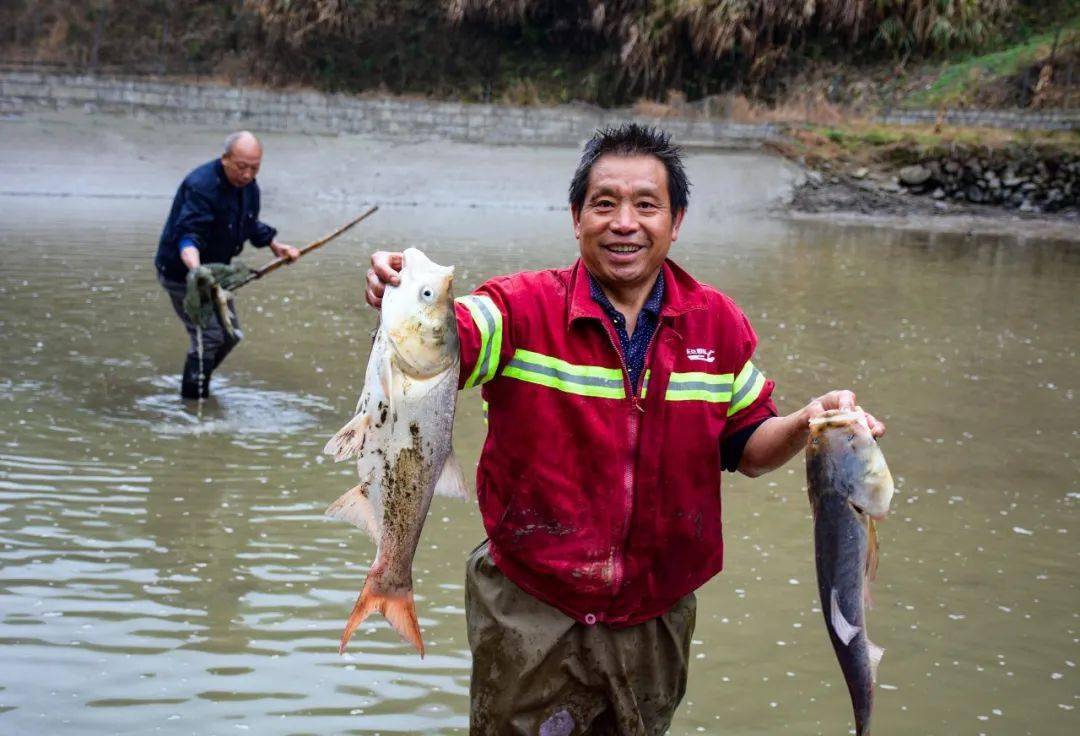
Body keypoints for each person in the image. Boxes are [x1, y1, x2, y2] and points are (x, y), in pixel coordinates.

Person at [365, 123, 885, 736]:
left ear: (676, 220)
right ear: (576, 216)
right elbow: (448, 337)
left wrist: (808, 421)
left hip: (655, 618)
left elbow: (748, 445)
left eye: (646, 204)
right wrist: (400, 293)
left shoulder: (714, 325)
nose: (624, 222)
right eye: (604, 203)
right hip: (530, 607)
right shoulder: (519, 307)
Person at [154, 131, 300, 399]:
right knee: (209, 336)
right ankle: (192, 401)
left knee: (230, 335)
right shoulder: (201, 186)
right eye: (242, 167)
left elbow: (247, 223)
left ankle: (199, 380)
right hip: (182, 272)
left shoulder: (248, 187)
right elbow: (188, 235)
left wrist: (274, 245)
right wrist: (197, 271)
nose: (247, 175)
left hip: (216, 272)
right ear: (225, 159)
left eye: (254, 168)